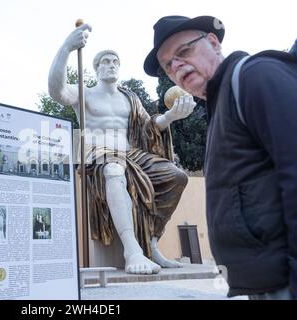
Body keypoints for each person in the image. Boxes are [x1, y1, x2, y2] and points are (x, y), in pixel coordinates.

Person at [144, 15, 297, 299]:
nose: (176, 66)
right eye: (168, 65)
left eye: (184, 51)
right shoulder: (220, 103)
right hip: (265, 284)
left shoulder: (254, 76)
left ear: (213, 42)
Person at [48, 24, 195, 274]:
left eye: (115, 61)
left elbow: (149, 127)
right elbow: (56, 91)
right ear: (96, 68)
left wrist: (170, 116)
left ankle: (152, 243)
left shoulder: (130, 98)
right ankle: (132, 251)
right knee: (115, 170)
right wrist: (66, 48)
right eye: (105, 61)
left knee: (177, 176)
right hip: (99, 153)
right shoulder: (85, 92)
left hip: (132, 153)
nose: (111, 64)